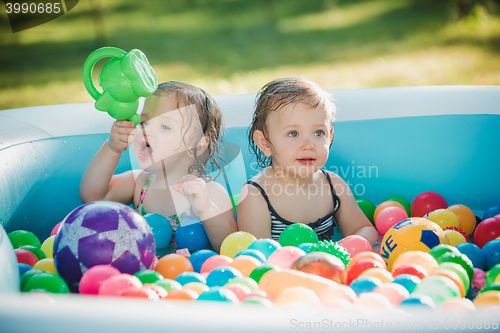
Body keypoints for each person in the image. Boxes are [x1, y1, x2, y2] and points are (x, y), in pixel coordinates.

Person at [80, 81, 237, 252]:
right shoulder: (139, 183)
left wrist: (206, 208)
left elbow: (229, 247)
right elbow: (92, 196)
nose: (147, 131)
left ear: (197, 144)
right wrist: (112, 148)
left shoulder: (209, 192)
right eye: (145, 122)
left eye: (164, 126)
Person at [237, 77, 379, 245]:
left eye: (318, 133)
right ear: (264, 143)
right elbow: (259, 256)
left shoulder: (333, 185)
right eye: (293, 133)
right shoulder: (256, 195)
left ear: (330, 136)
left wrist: (339, 250)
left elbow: (365, 230)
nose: (309, 145)